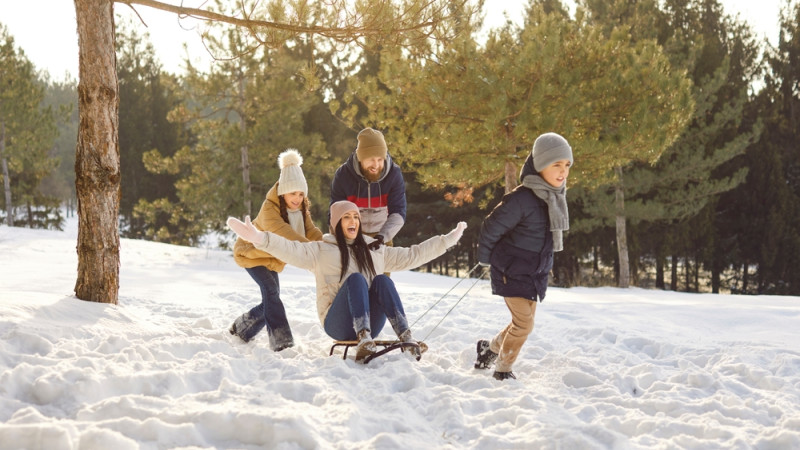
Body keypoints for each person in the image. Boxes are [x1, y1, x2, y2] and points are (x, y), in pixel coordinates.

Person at [227, 200, 467, 362]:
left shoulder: (375, 250)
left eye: (355, 216)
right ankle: (362, 337)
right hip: (338, 322)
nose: (353, 220)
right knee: (355, 280)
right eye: (346, 217)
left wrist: (446, 241)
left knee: (383, 281)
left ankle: (405, 336)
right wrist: (260, 238)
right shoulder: (321, 250)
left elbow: (413, 254)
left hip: (373, 321)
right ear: (337, 223)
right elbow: (289, 249)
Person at [474, 132, 573, 381]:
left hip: (534, 272)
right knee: (524, 325)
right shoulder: (521, 199)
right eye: (556, 165)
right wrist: (484, 258)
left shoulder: (554, 198)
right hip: (511, 270)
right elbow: (491, 226)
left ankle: (489, 349)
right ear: (540, 166)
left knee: (519, 324)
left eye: (567, 165)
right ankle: (502, 370)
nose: (563, 171)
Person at [229, 149, 323, 351]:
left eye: (300, 194)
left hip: (272, 258)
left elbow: (310, 231)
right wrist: (312, 251)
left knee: (269, 301)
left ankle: (241, 328)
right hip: (252, 254)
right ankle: (282, 339)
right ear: (282, 191)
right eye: (292, 193)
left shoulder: (300, 209)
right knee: (272, 293)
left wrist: (327, 245)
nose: (297, 198)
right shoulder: (269, 209)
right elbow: (285, 233)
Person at [330, 128, 406, 251]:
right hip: (351, 234)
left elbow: (398, 212)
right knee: (352, 270)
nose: (376, 165)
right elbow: (336, 212)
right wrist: (343, 240)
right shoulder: (343, 175)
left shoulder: (394, 174)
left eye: (380, 159)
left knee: (382, 270)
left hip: (383, 233)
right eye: (371, 159)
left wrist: (382, 237)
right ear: (361, 158)